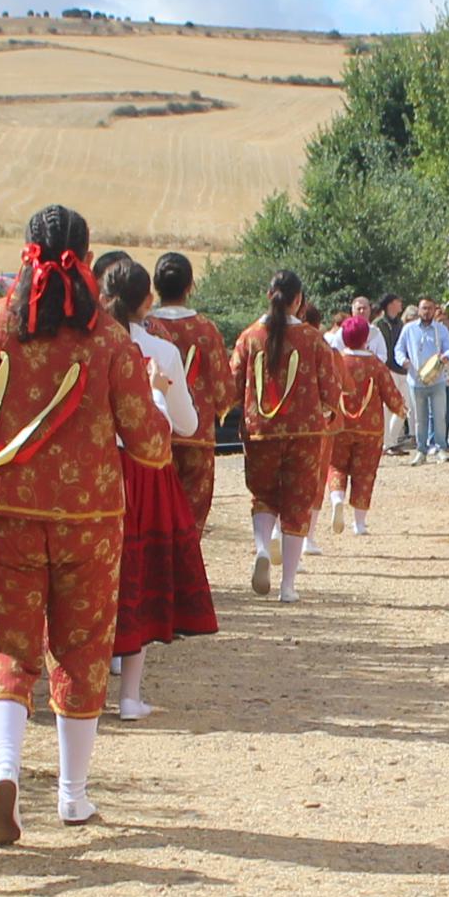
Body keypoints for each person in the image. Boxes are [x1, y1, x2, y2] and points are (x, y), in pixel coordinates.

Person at [0, 206, 172, 838]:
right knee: (81, 648)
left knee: (4, 648)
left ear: (25, 253)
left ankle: (3, 773)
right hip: (89, 521)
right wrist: (155, 400)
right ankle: (72, 795)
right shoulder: (110, 343)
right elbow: (151, 448)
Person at [103, 257, 219, 718]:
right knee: (140, 571)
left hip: (94, 468)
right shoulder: (159, 351)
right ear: (145, 302)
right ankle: (130, 695)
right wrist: (158, 391)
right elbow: (186, 423)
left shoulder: (91, 345)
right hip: (144, 469)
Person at [235, 270, 339, 597]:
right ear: (298, 301)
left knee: (263, 495)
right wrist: (326, 410)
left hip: (260, 430)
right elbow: (331, 388)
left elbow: (233, 381)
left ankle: (263, 547)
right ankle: (288, 585)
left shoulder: (250, 337)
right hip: (305, 432)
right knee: (297, 502)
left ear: (269, 295)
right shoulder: (312, 339)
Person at [143, 253, 237, 553]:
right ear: (190, 286)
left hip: (152, 434)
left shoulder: (145, 327)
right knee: (192, 510)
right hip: (197, 435)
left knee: (153, 508)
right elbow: (224, 388)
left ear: (156, 286)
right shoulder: (206, 330)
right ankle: (183, 566)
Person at [324, 302, 398, 536]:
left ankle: (336, 499)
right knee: (364, 472)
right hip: (370, 427)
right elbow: (390, 393)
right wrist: (399, 408)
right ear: (366, 338)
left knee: (336, 466)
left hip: (339, 424)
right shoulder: (375, 364)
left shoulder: (336, 362)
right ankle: (359, 523)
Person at [399, 297, 449, 463]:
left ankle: (441, 448)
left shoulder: (441, 329)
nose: (426, 311)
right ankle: (421, 450)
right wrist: (403, 361)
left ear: (434, 310)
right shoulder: (409, 329)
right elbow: (399, 349)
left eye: (430, 308)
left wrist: (446, 357)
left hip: (437, 379)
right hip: (416, 379)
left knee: (439, 415)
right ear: (419, 310)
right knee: (420, 418)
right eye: (424, 308)